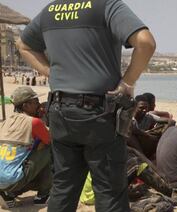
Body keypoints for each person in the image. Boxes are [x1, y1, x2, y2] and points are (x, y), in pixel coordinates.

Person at [17, 0, 156, 211]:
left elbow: (23, 45)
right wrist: (127, 83)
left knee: (63, 189)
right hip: (99, 113)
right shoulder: (107, 5)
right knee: (109, 191)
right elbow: (146, 43)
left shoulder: (51, 10)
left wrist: (51, 72)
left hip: (60, 111)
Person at [0, 87, 52, 209]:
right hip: (13, 179)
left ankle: (8, 194)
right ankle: (43, 196)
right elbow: (50, 140)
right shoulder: (34, 122)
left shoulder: (5, 122)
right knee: (49, 149)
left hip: (3, 176)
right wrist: (42, 118)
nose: (39, 105)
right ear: (26, 105)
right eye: (36, 102)